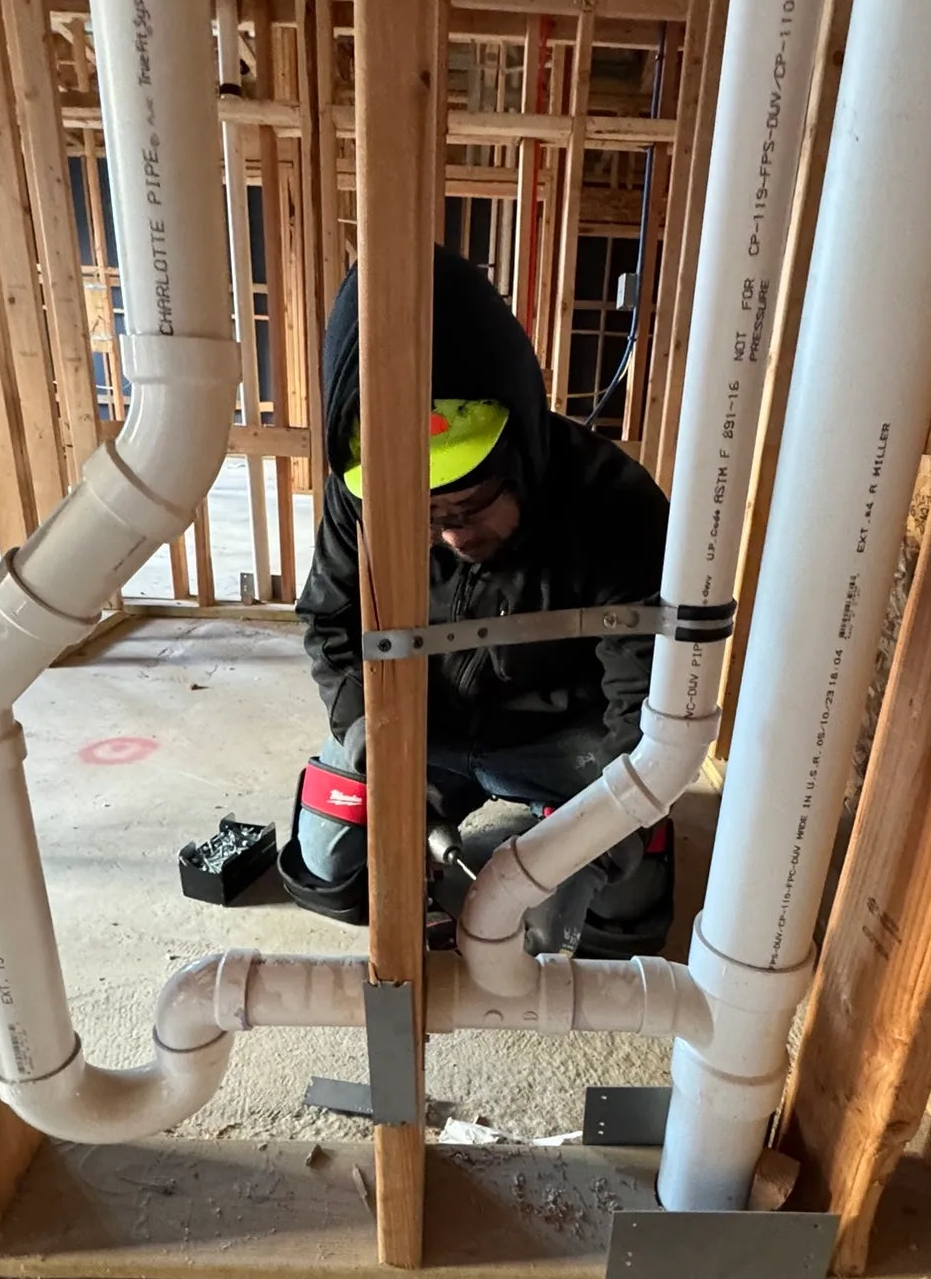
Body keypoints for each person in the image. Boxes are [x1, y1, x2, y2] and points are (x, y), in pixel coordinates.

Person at [278, 246, 673, 957]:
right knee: (331, 869)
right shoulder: (357, 498)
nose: (453, 533)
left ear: (519, 446)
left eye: (471, 502)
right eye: (422, 516)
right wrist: (373, 738)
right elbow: (329, 625)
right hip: (416, 726)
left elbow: (641, 697)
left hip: (560, 739)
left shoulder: (616, 503)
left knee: (622, 915)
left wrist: (612, 823)